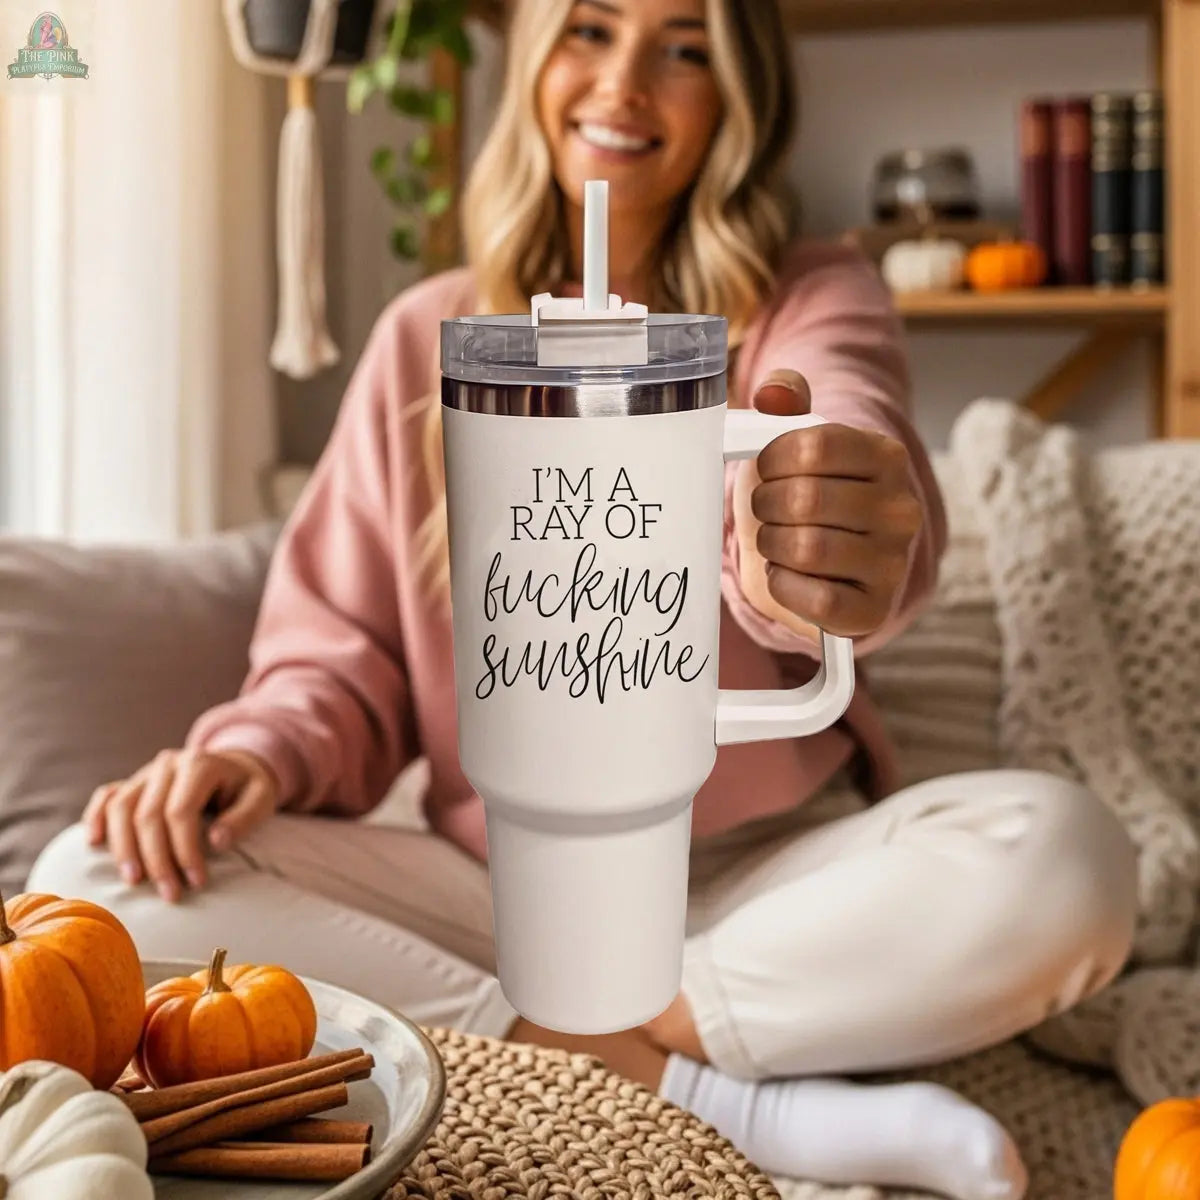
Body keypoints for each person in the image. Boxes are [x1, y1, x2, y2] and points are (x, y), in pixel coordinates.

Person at [30, 1, 1138, 1197]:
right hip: (504, 885)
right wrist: (259, 754)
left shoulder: (812, 294)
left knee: (1069, 861)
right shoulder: (430, 339)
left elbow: (846, 430)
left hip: (775, 887)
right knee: (89, 881)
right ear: (533, 64)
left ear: (740, 101)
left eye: (683, 49)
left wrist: (810, 543)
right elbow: (335, 659)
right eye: (589, 31)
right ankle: (711, 1093)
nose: (624, 84)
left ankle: (650, 1022)